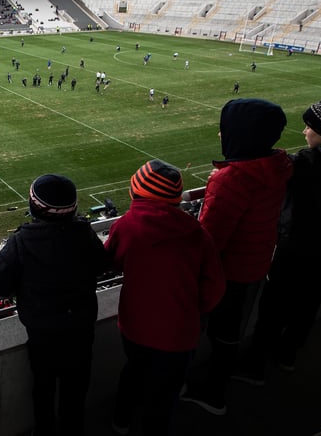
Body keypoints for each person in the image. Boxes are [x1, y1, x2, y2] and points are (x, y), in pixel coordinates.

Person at [235, 94, 321, 384]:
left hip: (296, 248)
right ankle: (287, 355)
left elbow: (267, 173)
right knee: (307, 307)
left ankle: (255, 367)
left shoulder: (308, 164)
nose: (304, 131)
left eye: (309, 126)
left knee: (273, 309)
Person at [181, 98, 293, 416]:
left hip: (226, 271)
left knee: (207, 329)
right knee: (231, 330)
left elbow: (211, 237)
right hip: (257, 261)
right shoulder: (279, 165)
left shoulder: (233, 178)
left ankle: (212, 393)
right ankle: (233, 376)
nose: (220, 135)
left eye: (224, 129)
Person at [106, 160, 225, 435]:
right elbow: (215, 285)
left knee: (134, 372)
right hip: (180, 333)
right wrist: (194, 311)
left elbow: (111, 260)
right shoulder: (197, 232)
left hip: (135, 326)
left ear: (136, 193)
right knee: (164, 394)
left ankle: (120, 421)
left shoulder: (126, 226)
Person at [0, 174, 109, 436]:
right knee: (76, 389)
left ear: (33, 208)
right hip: (81, 328)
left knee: (43, 386)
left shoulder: (22, 241)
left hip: (43, 332)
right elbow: (102, 265)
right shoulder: (83, 233)